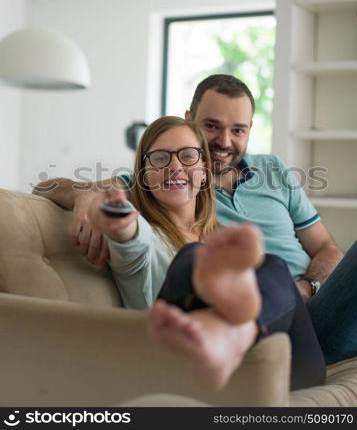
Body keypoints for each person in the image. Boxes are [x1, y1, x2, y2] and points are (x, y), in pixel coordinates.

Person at [32, 75, 353, 365]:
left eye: (237, 130)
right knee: (249, 266)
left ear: (250, 129)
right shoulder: (156, 187)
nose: (225, 142)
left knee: (270, 268)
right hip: (264, 340)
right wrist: (88, 198)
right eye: (211, 126)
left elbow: (327, 247)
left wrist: (307, 288)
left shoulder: (272, 171)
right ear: (192, 120)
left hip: (315, 309)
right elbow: (70, 196)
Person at [85, 115, 325, 390]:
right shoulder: (147, 235)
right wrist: (115, 218)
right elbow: (130, 240)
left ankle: (233, 335)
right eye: (160, 158)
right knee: (193, 255)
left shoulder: (225, 239)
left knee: (272, 264)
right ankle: (221, 336)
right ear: (143, 173)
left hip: (287, 367)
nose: (175, 167)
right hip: (183, 365)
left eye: (187, 156)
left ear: (204, 168)